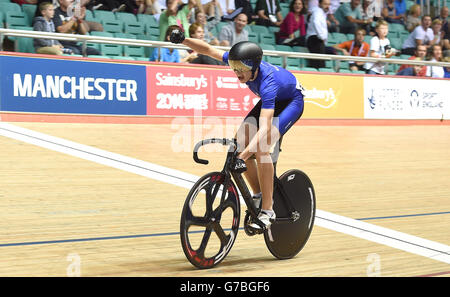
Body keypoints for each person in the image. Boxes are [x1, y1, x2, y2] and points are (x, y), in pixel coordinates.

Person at [170, 29, 305, 231]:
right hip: (274, 100)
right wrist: (183, 40)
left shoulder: (267, 83)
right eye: (234, 67)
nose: (237, 72)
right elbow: (208, 49)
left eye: (241, 68)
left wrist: (244, 155)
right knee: (238, 144)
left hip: (291, 102)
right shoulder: (242, 63)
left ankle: (268, 210)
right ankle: (259, 194)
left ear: (254, 66)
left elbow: (265, 127)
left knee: (262, 148)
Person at [306, 0, 330, 68]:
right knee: (319, 64)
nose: (327, 6)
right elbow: (316, 22)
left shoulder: (321, 12)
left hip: (316, 39)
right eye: (325, 4)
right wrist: (321, 36)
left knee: (317, 63)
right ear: (319, 4)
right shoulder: (318, 11)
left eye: (328, 4)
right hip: (315, 39)